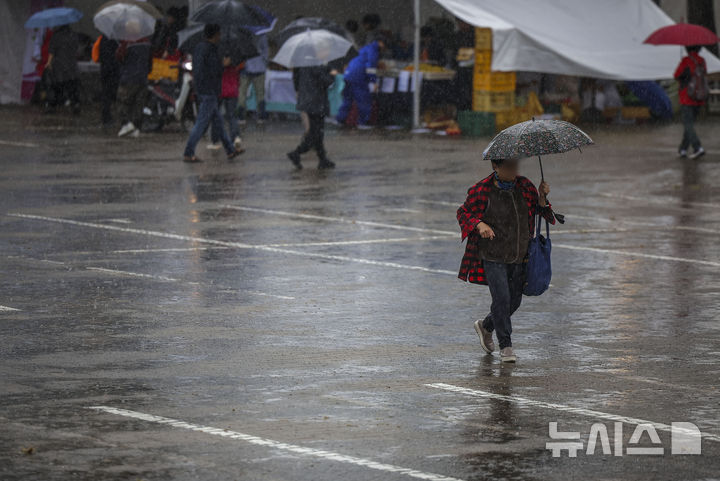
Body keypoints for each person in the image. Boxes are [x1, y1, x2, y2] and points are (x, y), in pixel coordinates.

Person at [456, 158, 555, 362]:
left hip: (520, 255)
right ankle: (506, 346)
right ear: (495, 167)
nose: (513, 170)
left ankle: (486, 326)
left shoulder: (525, 186)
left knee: (513, 301)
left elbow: (540, 212)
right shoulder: (481, 190)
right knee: (501, 298)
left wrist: (542, 198)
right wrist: (479, 224)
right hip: (492, 256)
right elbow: (463, 213)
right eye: (508, 167)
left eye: (515, 166)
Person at [183, 24, 243, 163]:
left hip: (203, 89)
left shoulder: (198, 48)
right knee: (201, 123)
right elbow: (214, 71)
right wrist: (223, 64)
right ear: (215, 35)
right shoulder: (211, 50)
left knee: (219, 122)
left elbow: (200, 69)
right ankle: (188, 151)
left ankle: (230, 149)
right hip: (210, 91)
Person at [287, 66, 337, 170]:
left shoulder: (304, 64)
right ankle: (297, 152)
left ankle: (322, 159)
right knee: (316, 133)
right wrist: (332, 74)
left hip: (309, 101)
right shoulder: (316, 65)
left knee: (317, 132)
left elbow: (297, 80)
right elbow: (326, 82)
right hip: (316, 102)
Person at [336, 38, 385, 129]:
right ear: (380, 42)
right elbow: (370, 67)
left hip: (349, 73)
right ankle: (363, 122)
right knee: (363, 100)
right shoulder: (373, 50)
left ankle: (340, 119)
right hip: (358, 76)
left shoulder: (365, 48)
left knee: (348, 99)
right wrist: (373, 81)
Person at [116, 23, 152, 138]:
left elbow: (119, 57)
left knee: (123, 102)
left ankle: (126, 123)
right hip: (143, 78)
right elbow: (150, 61)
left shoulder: (127, 43)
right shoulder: (147, 42)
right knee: (138, 104)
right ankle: (136, 127)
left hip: (129, 77)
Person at [674, 45, 707, 159]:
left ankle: (698, 148)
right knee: (689, 125)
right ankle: (682, 149)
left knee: (688, 125)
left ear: (687, 49)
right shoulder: (702, 61)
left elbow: (676, 75)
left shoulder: (686, 60)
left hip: (687, 97)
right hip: (698, 98)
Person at [45, 25, 80, 114]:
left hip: (59, 66)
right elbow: (76, 49)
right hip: (71, 66)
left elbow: (51, 51)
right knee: (72, 87)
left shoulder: (56, 36)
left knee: (56, 87)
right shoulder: (74, 35)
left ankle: (52, 106)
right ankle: (75, 104)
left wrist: (49, 63)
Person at [208, 63, 243, 151]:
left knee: (216, 115)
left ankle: (215, 140)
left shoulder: (218, 61)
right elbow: (238, 78)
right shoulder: (235, 62)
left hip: (220, 91)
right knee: (232, 115)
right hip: (232, 90)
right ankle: (235, 137)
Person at [236, 34, 269, 124]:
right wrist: (264, 62)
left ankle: (241, 116)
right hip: (260, 68)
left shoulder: (243, 34)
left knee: (242, 93)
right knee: (260, 94)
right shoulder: (262, 34)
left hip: (245, 67)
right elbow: (265, 51)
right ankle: (261, 116)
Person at [97, 35, 119, 127]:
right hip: (113, 70)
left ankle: (106, 117)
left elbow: (101, 55)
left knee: (106, 95)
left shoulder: (102, 39)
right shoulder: (116, 40)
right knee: (110, 95)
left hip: (105, 70)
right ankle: (107, 117)